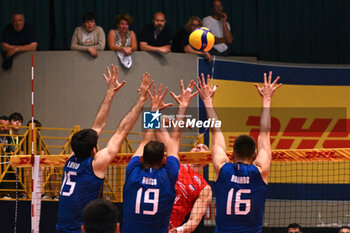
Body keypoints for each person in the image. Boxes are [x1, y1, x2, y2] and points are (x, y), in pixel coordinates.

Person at [56, 64, 152, 233]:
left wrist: (110, 92)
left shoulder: (71, 156)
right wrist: (141, 101)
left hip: (61, 228)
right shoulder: (96, 164)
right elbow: (122, 131)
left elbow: (98, 126)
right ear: (94, 150)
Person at [195, 71, 281, 232]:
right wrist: (267, 99)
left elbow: (215, 131)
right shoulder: (260, 171)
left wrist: (207, 101)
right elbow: (265, 133)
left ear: (232, 154)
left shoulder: (223, 169)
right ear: (254, 155)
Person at [122, 81, 198, 233]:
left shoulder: (132, 171)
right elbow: (175, 139)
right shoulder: (169, 175)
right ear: (164, 161)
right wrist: (182, 106)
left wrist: (154, 109)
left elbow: (145, 140)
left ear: (142, 159)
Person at [168, 144, 212, 233]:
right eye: (196, 146)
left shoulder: (204, 187)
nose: (198, 147)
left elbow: (194, 221)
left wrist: (178, 230)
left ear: (206, 161)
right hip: (152, 218)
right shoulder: (175, 164)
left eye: (204, 148)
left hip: (170, 227)